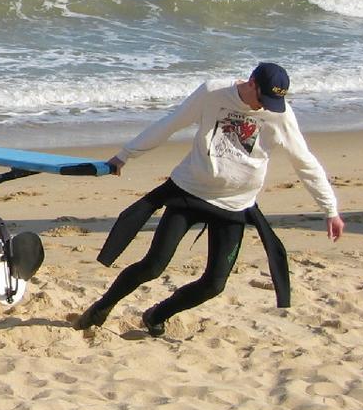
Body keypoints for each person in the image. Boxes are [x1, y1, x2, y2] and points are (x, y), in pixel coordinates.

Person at [74, 62, 344, 337]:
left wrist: (330, 209)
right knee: (153, 266)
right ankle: (102, 307)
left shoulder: (279, 114)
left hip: (235, 205)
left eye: (274, 103)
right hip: (189, 192)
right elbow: (170, 124)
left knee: (214, 285)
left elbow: (305, 162)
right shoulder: (212, 93)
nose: (265, 107)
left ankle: (157, 314)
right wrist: (125, 154)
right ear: (252, 83)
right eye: (263, 99)